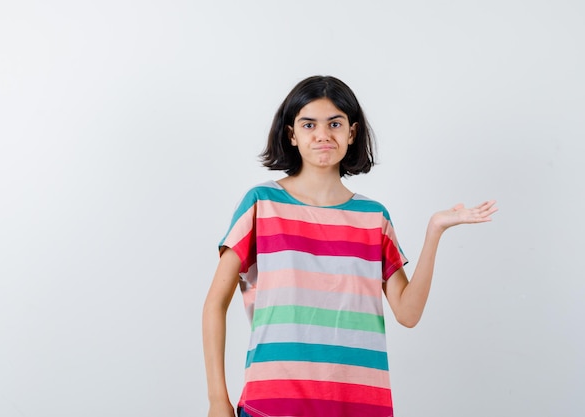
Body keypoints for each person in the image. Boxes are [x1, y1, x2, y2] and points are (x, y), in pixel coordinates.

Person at [202, 75, 497, 417]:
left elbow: (408, 313)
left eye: (335, 123)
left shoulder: (374, 218)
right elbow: (214, 305)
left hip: (359, 406)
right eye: (309, 124)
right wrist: (216, 400)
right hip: (274, 403)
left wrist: (434, 231)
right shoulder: (261, 204)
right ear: (292, 134)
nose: (323, 134)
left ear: (352, 133)